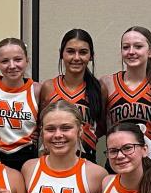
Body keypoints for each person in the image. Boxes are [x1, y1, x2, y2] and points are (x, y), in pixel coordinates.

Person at [101, 26, 151, 177]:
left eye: (138, 46)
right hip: (119, 159)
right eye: (126, 47)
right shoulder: (107, 83)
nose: (131, 52)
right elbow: (101, 123)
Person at [39, 29, 103, 162]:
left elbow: (103, 126)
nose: (76, 58)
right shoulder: (48, 87)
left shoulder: (99, 88)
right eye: (70, 51)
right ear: (61, 54)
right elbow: (41, 126)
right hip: (53, 161)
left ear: (91, 56)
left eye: (83, 52)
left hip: (87, 162)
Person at [0, 38, 42, 170]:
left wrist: (38, 131)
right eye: (5, 61)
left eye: (18, 59)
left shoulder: (36, 90)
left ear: (27, 60)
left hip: (25, 154)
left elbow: (45, 122)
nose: (12, 65)